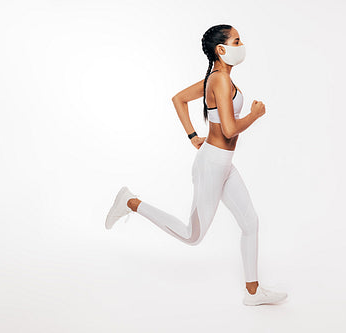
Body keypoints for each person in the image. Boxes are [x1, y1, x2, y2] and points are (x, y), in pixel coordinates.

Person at [105, 24, 287, 306]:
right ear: (221, 49)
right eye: (237, 40)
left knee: (250, 222)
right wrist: (255, 115)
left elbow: (179, 99)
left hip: (223, 164)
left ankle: (253, 293)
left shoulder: (218, 78)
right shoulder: (220, 80)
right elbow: (228, 129)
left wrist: (193, 136)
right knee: (192, 235)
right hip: (212, 165)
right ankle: (130, 202)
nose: (242, 45)